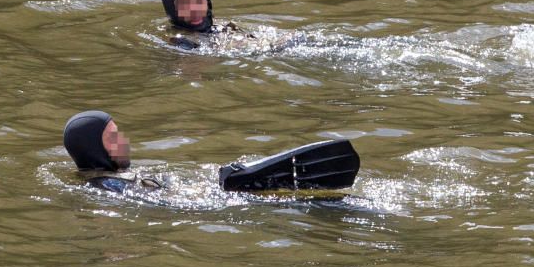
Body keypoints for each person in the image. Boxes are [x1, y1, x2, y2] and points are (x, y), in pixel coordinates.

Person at [62, 110, 360, 198]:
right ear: (94, 148)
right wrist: (220, 190)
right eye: (114, 137)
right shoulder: (106, 186)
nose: (124, 140)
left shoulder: (112, 180)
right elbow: (166, 203)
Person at [159, 0, 293, 52]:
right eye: (185, 3)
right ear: (172, 9)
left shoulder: (219, 26)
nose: (195, 9)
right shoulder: (180, 41)